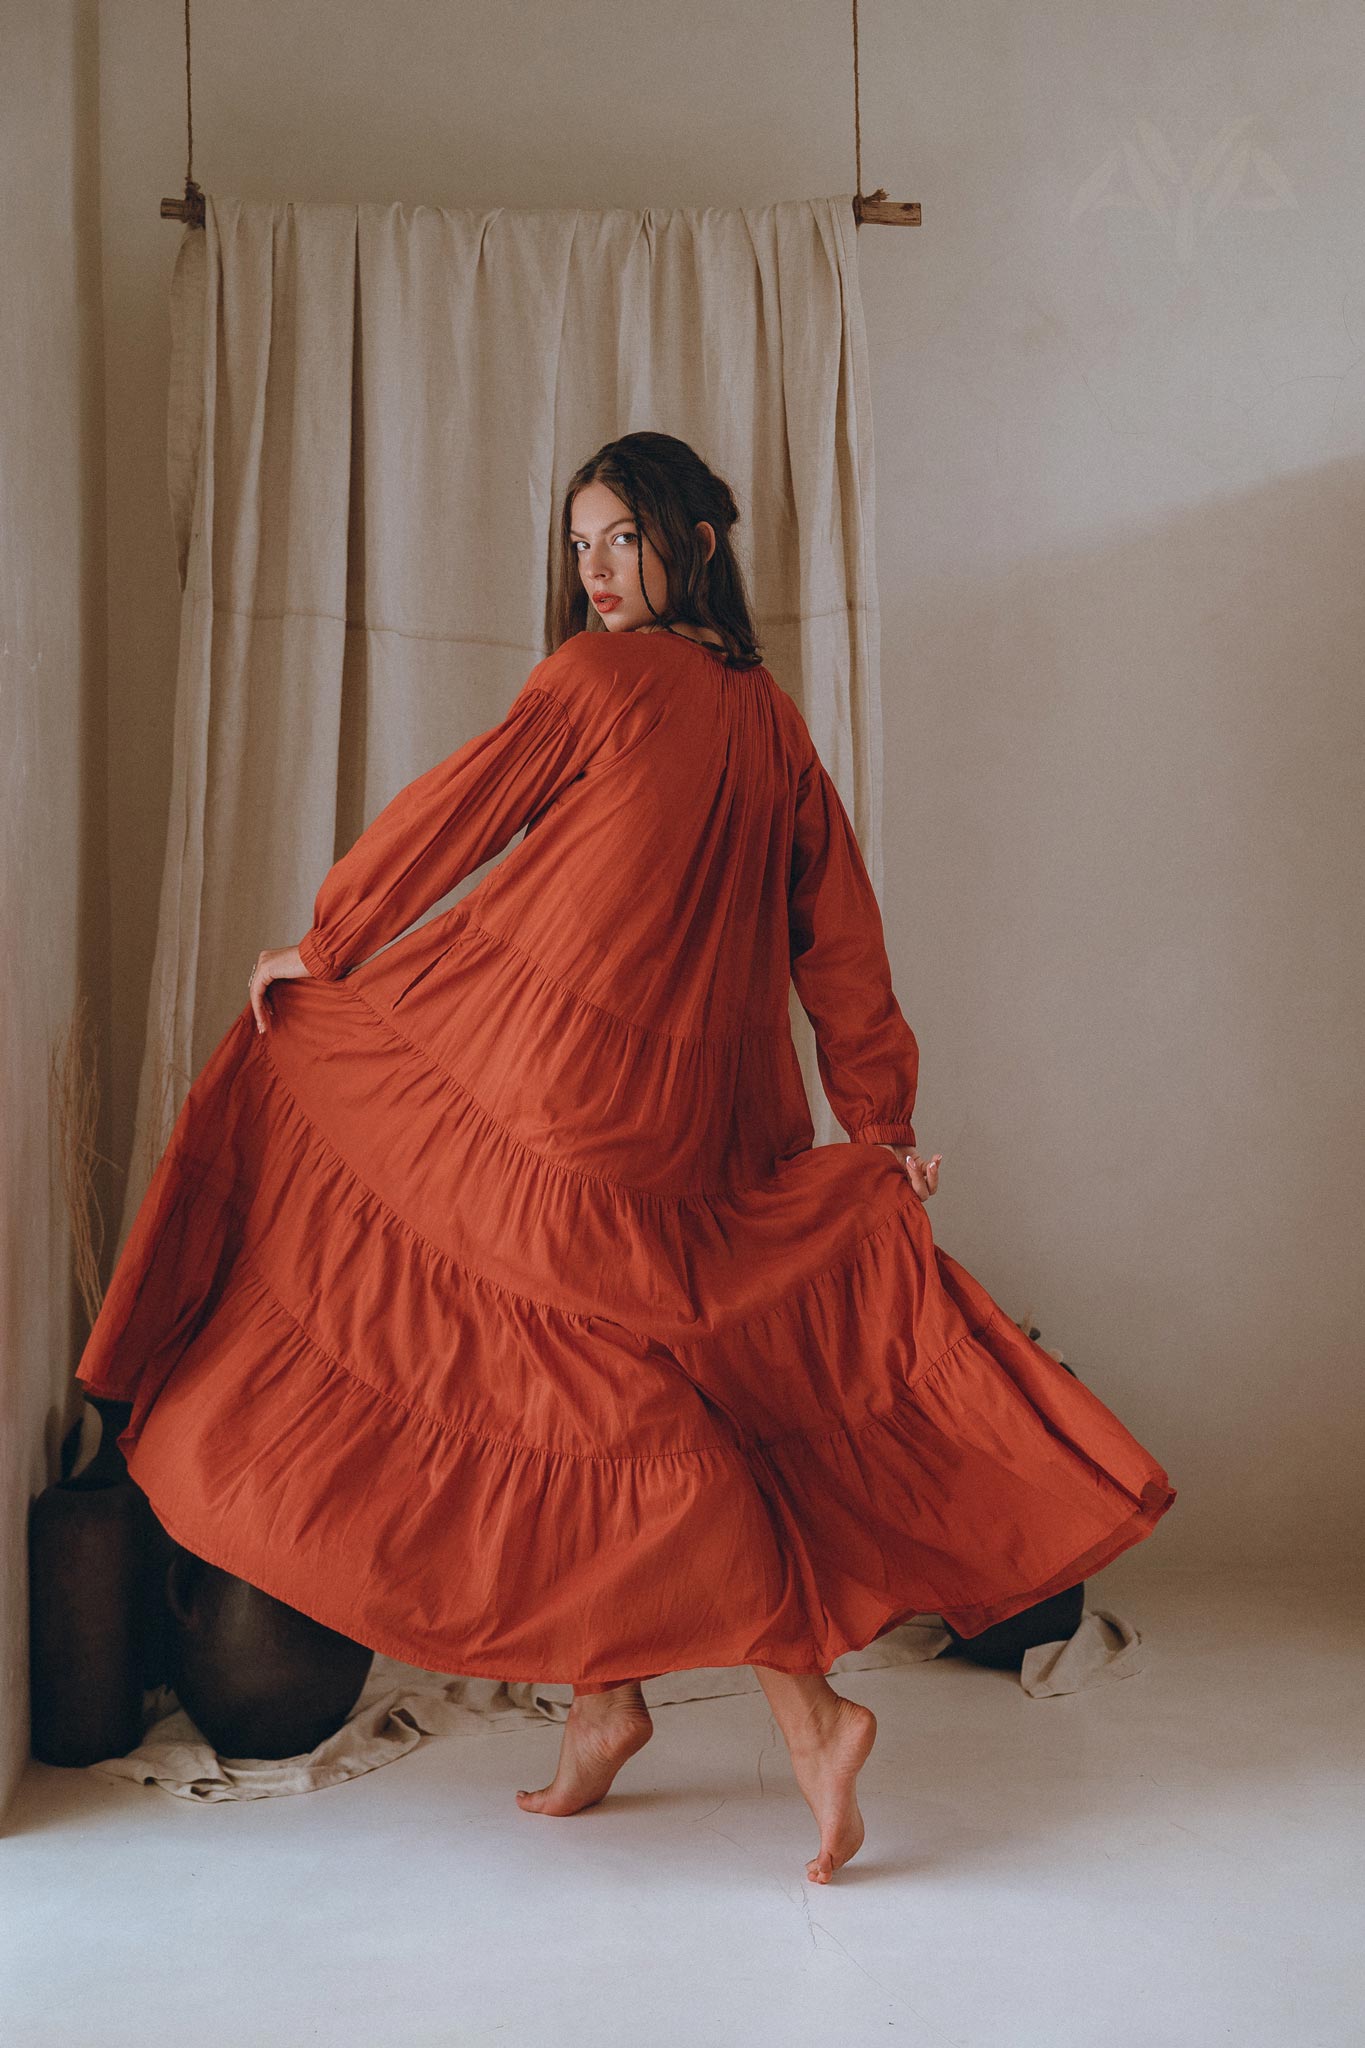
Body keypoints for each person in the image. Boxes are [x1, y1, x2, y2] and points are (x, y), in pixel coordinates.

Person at [77, 430, 1175, 1884]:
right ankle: (604, 1704)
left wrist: (328, 942)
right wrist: (879, 1120)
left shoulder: (597, 685)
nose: (594, 573)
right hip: (691, 1126)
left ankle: (804, 1717)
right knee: (588, 1392)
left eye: (621, 541)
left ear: (697, 544)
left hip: (565, 1108)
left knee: (594, 1404)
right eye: (579, 544)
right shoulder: (769, 721)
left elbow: (447, 820)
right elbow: (839, 943)